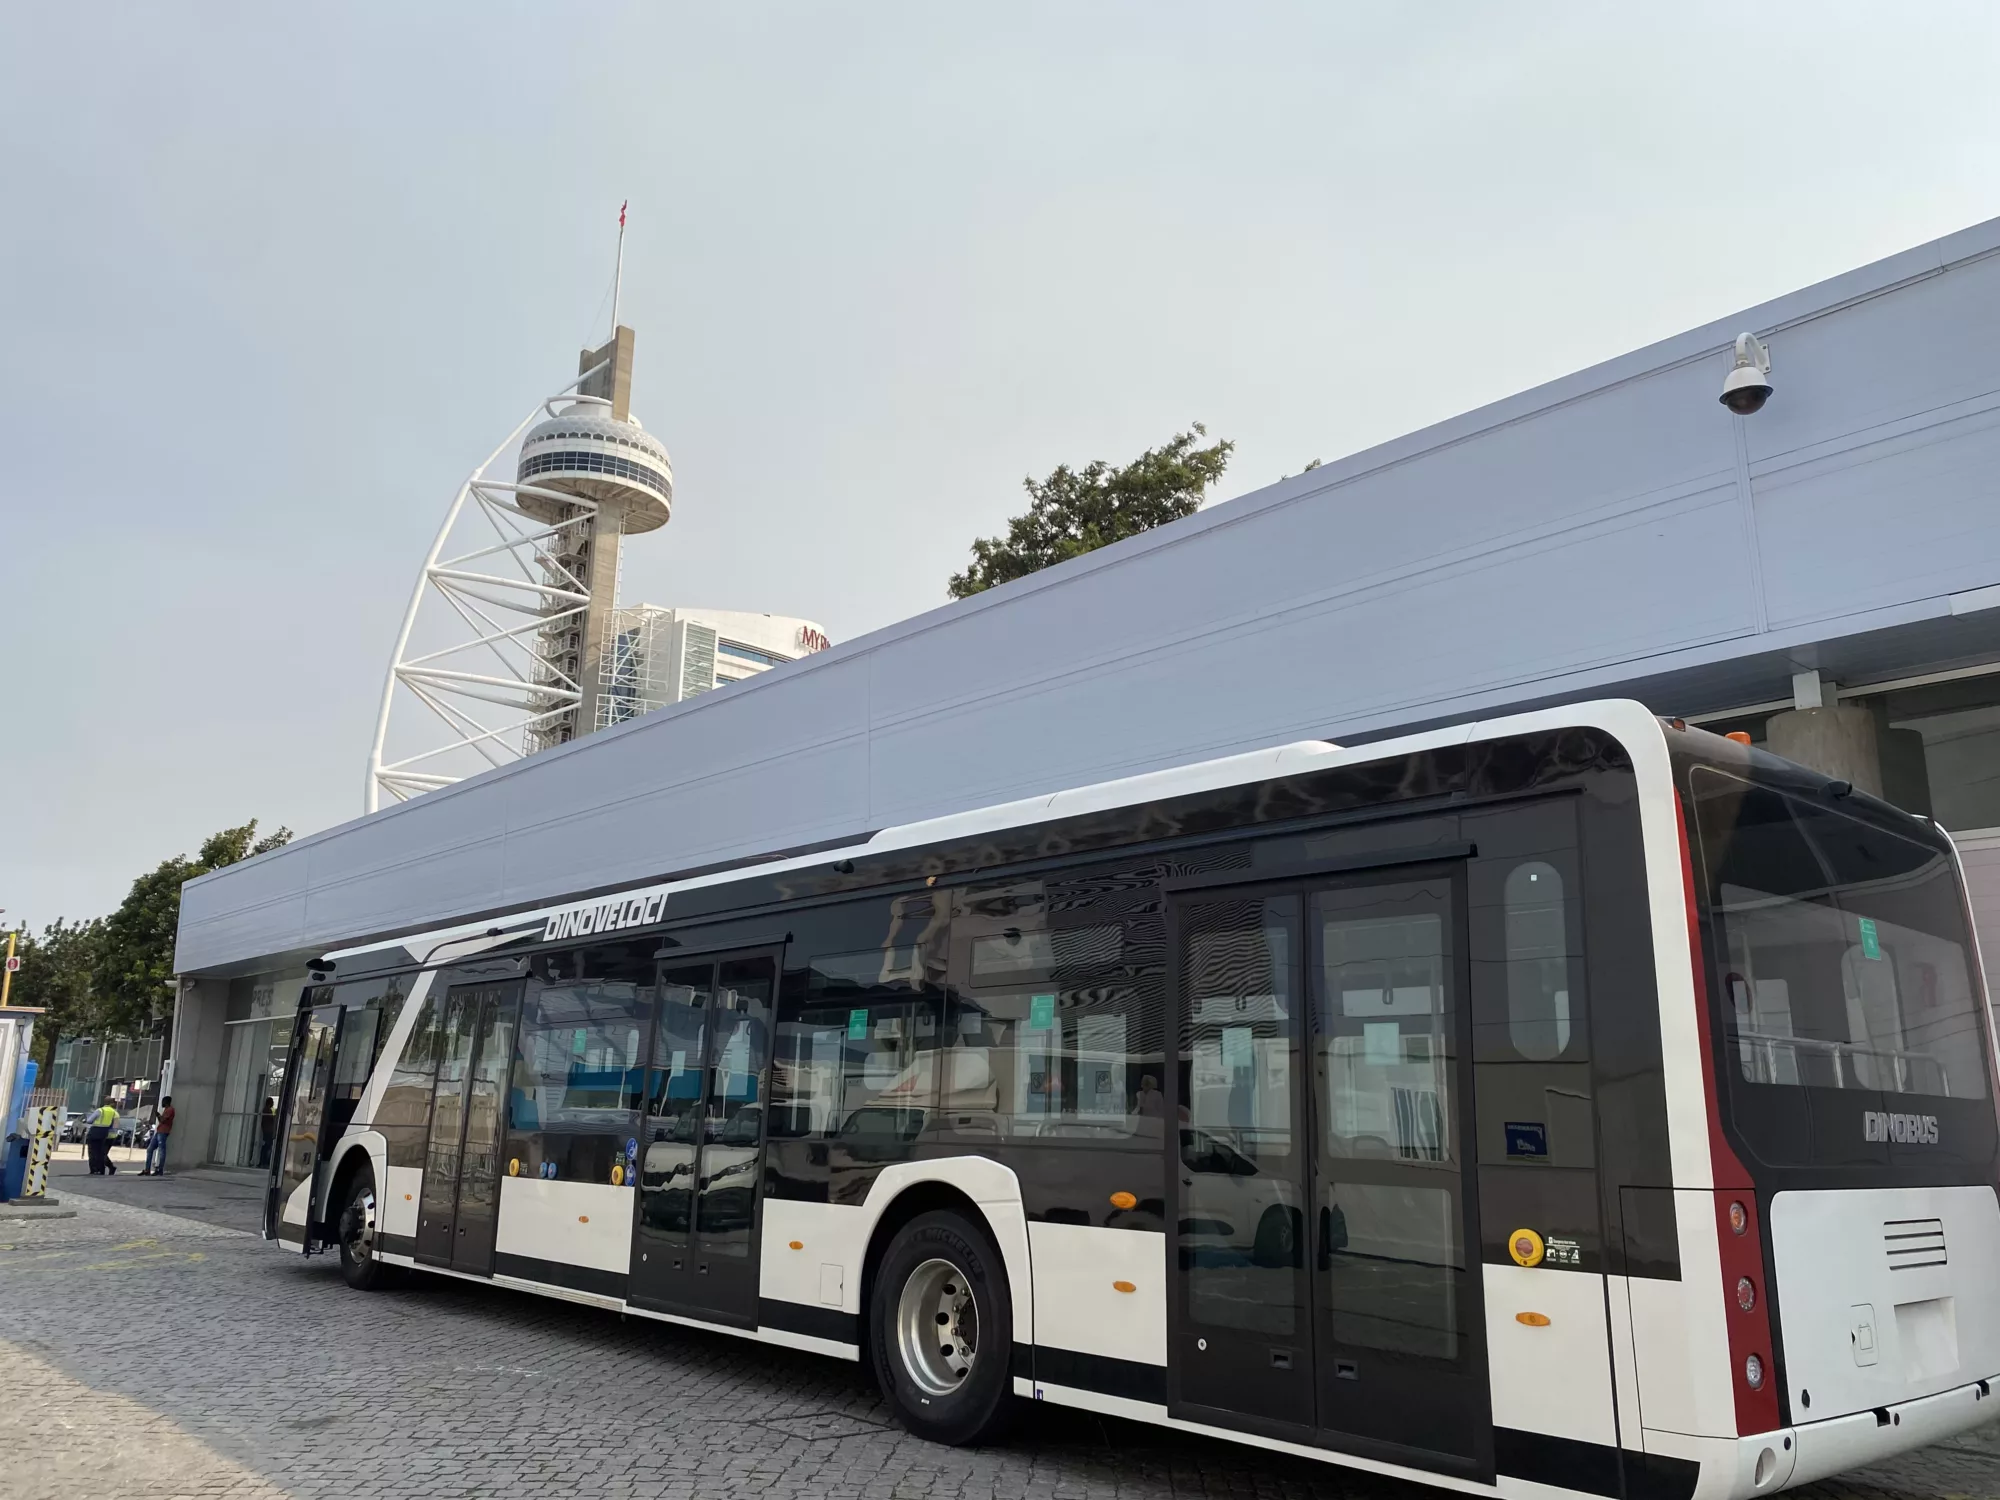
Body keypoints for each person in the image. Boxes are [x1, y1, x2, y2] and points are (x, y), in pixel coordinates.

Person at [141, 1096, 175, 1176]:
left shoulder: (170, 1110)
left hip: (163, 1132)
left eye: (163, 1102)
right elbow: (161, 1120)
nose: (161, 1103)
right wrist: (158, 1115)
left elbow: (163, 1120)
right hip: (159, 1131)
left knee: (161, 1150)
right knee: (150, 1149)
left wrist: (158, 1115)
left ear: (166, 1102)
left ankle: (160, 1169)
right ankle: (147, 1169)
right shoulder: (166, 1110)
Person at [84, 1098, 119, 1176]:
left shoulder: (100, 1110)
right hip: (106, 1134)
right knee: (101, 1153)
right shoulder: (115, 1113)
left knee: (92, 1152)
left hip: (95, 1132)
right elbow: (115, 1126)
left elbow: (89, 1120)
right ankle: (101, 1169)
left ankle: (94, 1169)